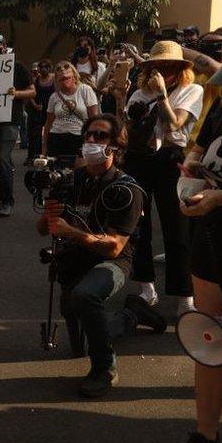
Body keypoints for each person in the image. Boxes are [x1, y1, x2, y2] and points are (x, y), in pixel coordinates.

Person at [37, 114, 159, 397]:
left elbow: (115, 247)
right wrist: (49, 216)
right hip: (75, 257)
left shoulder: (127, 189)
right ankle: (132, 315)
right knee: (78, 334)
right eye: (88, 135)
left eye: (100, 136)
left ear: (115, 146)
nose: (91, 141)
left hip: (112, 261)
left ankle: (105, 367)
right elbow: (44, 229)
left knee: (85, 297)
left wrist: (72, 233)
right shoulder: (72, 180)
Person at [165, 42, 222, 443]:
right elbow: (198, 147)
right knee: (213, 341)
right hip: (214, 244)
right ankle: (205, 436)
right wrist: (190, 175)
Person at [123, 41, 204, 317]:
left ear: (181, 68)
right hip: (141, 159)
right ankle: (146, 287)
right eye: (160, 66)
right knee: (139, 225)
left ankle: (184, 295)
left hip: (171, 159)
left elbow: (174, 124)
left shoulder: (192, 90)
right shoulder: (138, 94)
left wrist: (160, 97)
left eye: (172, 66)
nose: (166, 71)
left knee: (177, 228)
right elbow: (129, 132)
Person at [0, 34, 36, 217]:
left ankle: (7, 200)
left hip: (10, 121)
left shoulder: (17, 67)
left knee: (1, 158)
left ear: (5, 47)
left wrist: (17, 93)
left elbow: (32, 91)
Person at [43, 61, 100, 163]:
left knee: (78, 172)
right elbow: (48, 123)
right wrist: (44, 147)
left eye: (67, 77)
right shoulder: (54, 97)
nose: (65, 80)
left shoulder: (85, 90)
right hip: (56, 138)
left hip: (79, 138)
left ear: (74, 76)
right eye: (61, 79)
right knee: (55, 174)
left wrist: (94, 143)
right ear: (57, 80)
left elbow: (94, 119)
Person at [26, 59, 55, 164]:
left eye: (45, 67)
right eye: (41, 67)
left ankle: (49, 154)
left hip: (51, 109)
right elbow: (31, 94)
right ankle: (33, 156)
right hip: (39, 110)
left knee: (51, 132)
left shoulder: (54, 79)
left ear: (49, 68)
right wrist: (35, 105)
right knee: (35, 134)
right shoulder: (37, 80)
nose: (43, 69)